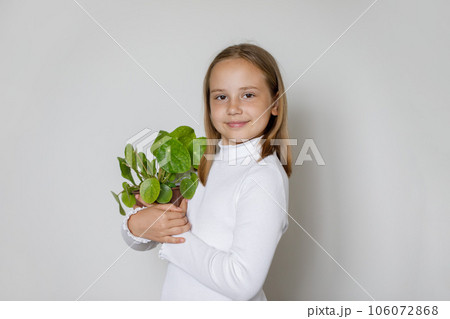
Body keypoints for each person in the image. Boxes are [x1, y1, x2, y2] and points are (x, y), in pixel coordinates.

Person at [121, 43, 292, 300]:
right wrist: (136, 225)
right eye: (221, 96)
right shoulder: (203, 161)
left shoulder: (263, 178)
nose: (233, 107)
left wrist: (173, 238)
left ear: (276, 103)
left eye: (248, 95)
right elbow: (148, 235)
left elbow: (241, 282)